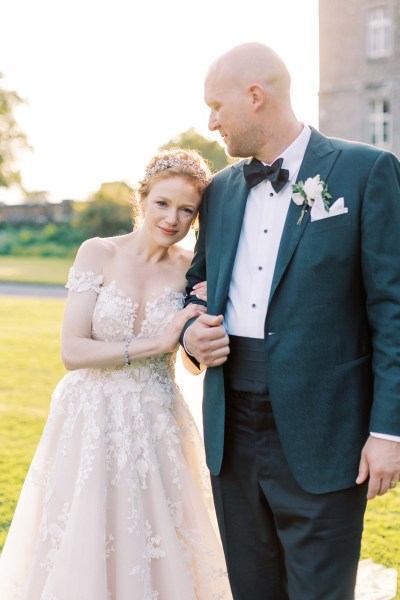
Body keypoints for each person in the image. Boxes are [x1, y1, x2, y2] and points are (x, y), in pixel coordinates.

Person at [182, 42, 400, 599]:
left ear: (255, 97)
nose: (210, 123)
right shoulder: (221, 192)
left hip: (327, 428)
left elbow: (392, 310)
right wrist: (191, 334)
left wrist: (388, 431)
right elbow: (194, 286)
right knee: (251, 588)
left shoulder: (367, 171)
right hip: (231, 430)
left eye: (216, 106)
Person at [0, 148, 231, 600]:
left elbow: (188, 360)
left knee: (160, 533)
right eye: (163, 203)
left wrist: (196, 337)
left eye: (187, 210)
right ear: (141, 199)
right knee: (86, 528)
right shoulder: (97, 253)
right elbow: (72, 350)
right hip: (89, 416)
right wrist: (156, 342)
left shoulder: (193, 269)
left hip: (157, 416)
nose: (172, 219)